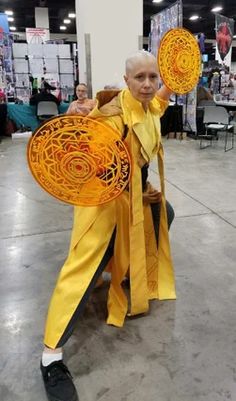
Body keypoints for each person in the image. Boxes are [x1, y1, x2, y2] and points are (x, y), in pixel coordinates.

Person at [40, 50, 176, 401]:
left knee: (166, 213)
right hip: (103, 202)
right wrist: (78, 126)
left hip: (133, 196)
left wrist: (171, 87)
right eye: (140, 78)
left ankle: (125, 271)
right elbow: (89, 146)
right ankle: (50, 356)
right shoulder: (112, 115)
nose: (148, 85)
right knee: (82, 269)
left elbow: (158, 107)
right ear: (126, 80)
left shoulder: (149, 107)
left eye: (153, 78)